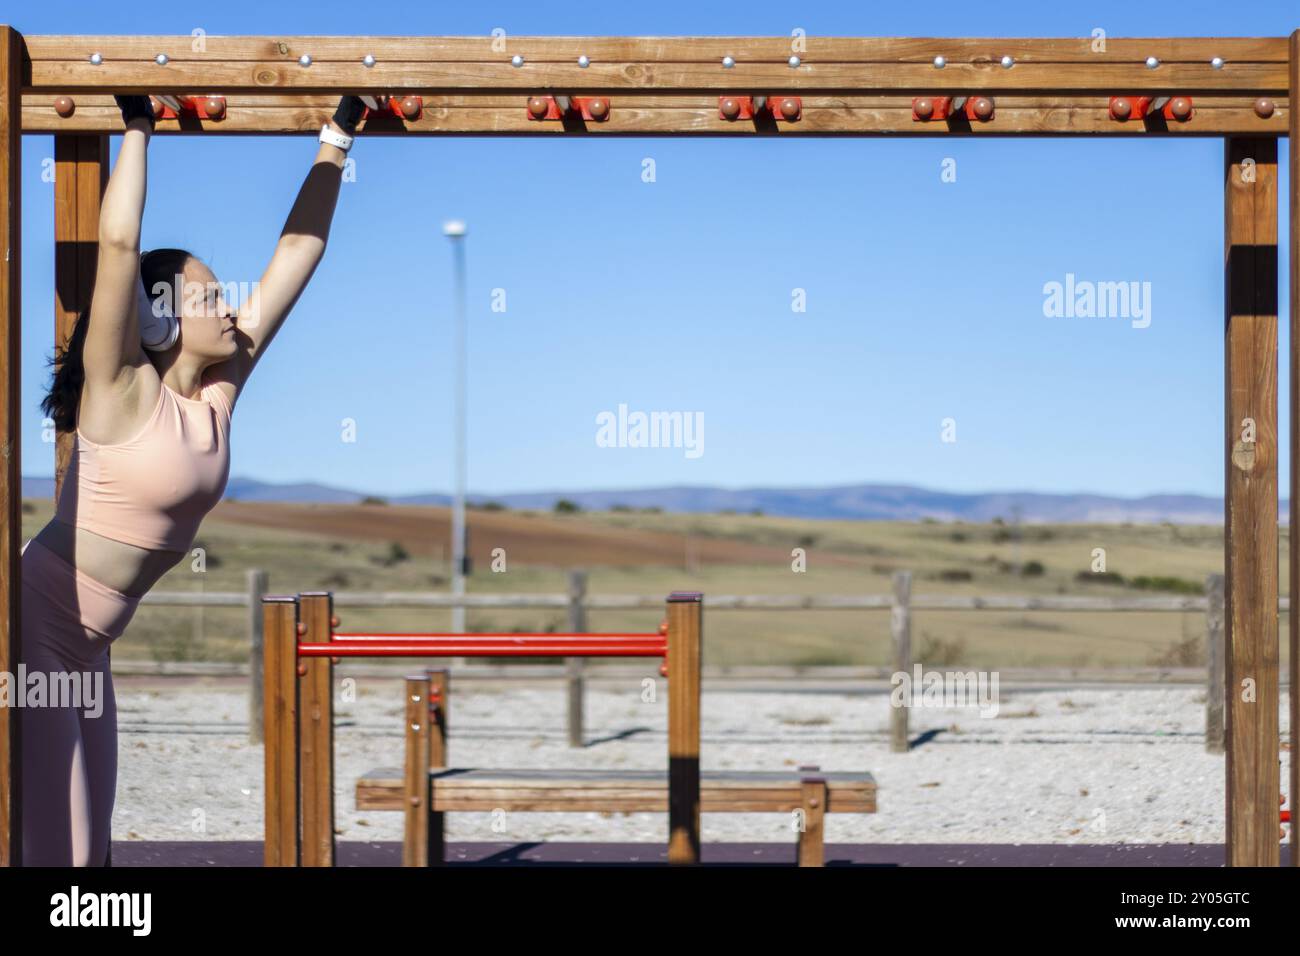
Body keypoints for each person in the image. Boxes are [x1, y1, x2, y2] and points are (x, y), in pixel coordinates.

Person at [20, 93, 368, 866]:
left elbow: (295, 258)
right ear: (156, 319)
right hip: (37, 630)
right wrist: (138, 130)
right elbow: (117, 246)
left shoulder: (217, 395)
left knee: (94, 848)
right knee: (59, 856)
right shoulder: (118, 390)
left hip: (92, 645)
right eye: (208, 295)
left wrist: (335, 142)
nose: (227, 305)